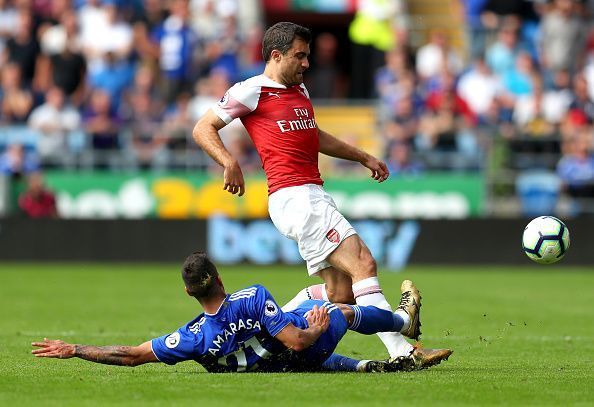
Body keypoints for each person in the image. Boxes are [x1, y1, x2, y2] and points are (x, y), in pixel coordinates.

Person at [192, 22, 451, 366]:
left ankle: (262, 330)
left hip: (309, 195)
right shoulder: (251, 90)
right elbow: (202, 127)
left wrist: (362, 156)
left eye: (307, 56)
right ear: (275, 55)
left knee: (340, 294)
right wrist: (228, 160)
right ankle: (404, 351)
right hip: (296, 197)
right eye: (299, 56)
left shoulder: (299, 91)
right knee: (363, 262)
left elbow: (313, 135)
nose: (306, 63)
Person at [31, 252, 451, 373]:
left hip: (273, 367)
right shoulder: (251, 297)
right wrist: (319, 324)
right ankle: (402, 323)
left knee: (303, 306)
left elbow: (131, 355)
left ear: (188, 293)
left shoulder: (192, 336)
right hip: (300, 351)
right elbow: (298, 340)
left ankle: (363, 368)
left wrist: (75, 349)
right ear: (218, 277)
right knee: (338, 307)